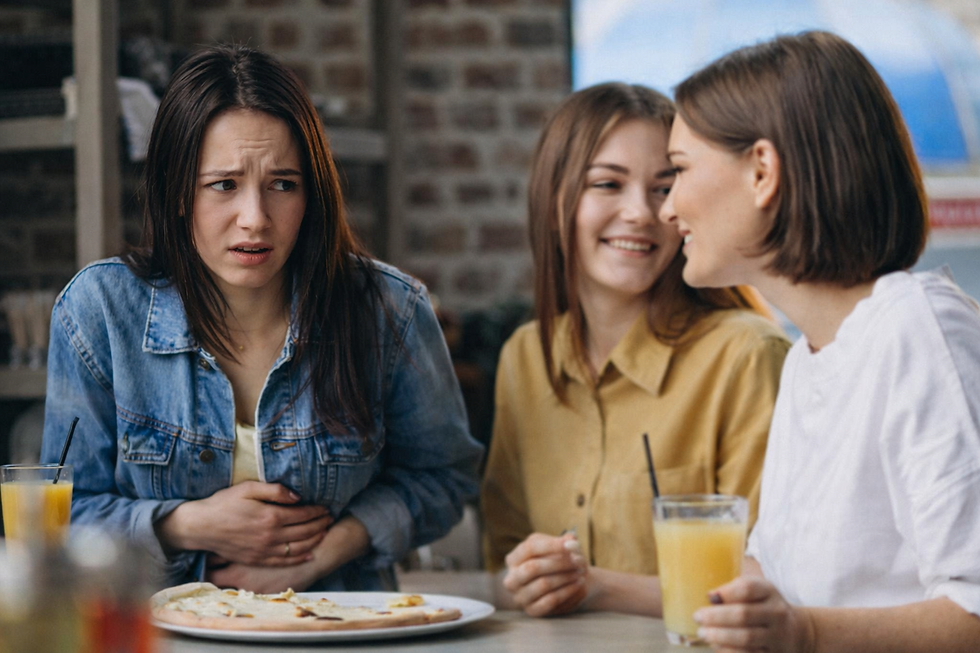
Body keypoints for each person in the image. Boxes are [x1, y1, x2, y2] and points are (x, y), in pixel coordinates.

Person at [39, 44, 483, 593]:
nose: (255, 219)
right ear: (178, 192)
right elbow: (60, 516)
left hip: (336, 629)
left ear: (310, 194)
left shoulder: (389, 311)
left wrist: (326, 550)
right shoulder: (99, 311)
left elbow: (445, 478)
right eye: (224, 184)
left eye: (282, 185)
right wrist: (192, 525)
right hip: (157, 634)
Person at [658, 30, 980, 652]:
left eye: (678, 170)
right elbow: (773, 578)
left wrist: (802, 632)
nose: (667, 209)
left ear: (761, 171)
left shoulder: (919, 331)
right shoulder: (810, 356)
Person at [481, 82, 790, 617]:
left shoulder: (745, 355)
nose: (642, 214)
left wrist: (597, 586)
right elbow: (505, 563)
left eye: (664, 188)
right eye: (608, 184)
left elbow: (773, 582)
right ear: (555, 199)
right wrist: (531, 578)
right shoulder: (526, 357)